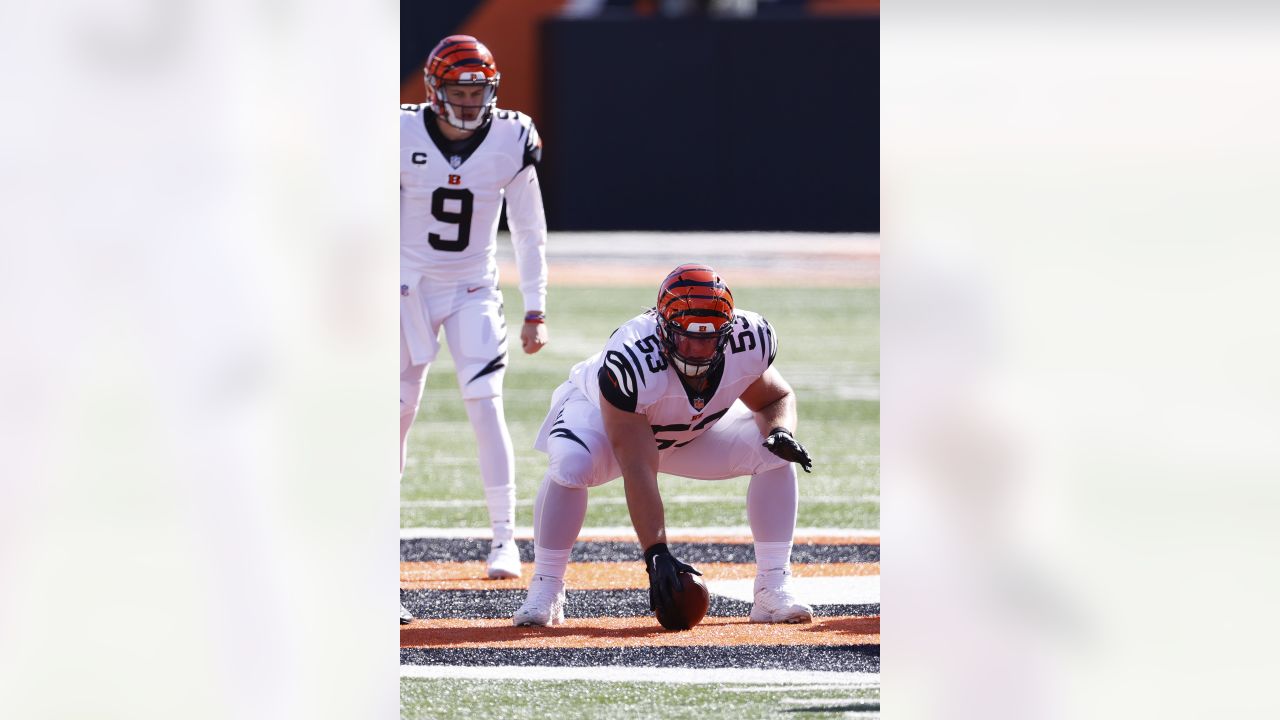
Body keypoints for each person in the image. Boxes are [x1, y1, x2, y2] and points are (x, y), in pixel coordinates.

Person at [513, 264, 814, 627]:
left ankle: (773, 588)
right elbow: (637, 465)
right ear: (662, 328)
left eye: (709, 337)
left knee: (773, 451)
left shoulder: (748, 341)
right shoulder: (632, 359)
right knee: (574, 462)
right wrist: (655, 552)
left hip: (688, 429)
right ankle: (546, 587)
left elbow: (774, 397)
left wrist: (780, 430)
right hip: (604, 423)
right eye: (687, 337)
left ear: (728, 332)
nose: (699, 348)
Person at [400, 35, 549, 623]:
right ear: (434, 91)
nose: (468, 102)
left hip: (472, 288)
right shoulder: (398, 133)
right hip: (403, 288)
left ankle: (505, 538)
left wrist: (535, 307)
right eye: (458, 91)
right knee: (395, 413)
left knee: (486, 403)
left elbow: (530, 229)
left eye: (477, 90)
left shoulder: (512, 137)